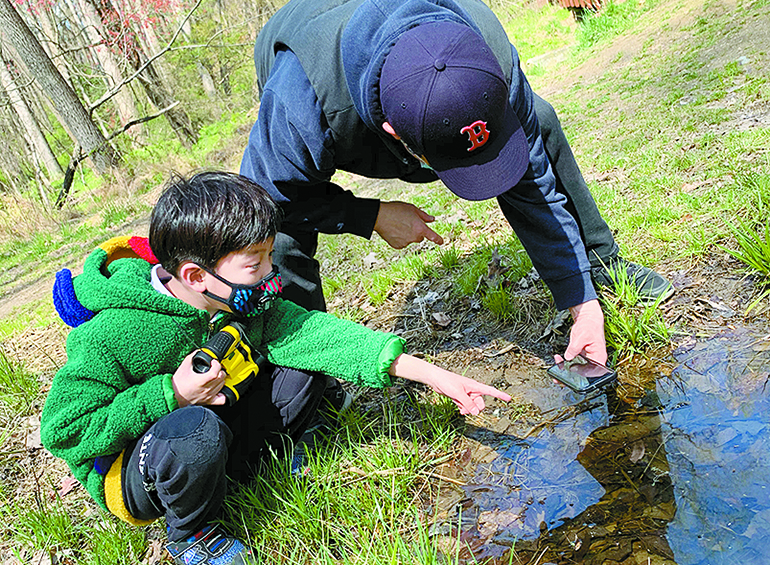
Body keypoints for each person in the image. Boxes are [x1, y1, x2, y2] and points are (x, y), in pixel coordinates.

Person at [40, 172, 511, 565]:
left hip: (220, 424)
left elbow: (320, 337)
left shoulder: (235, 298)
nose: (271, 273)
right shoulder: (112, 333)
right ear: (195, 276)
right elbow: (63, 430)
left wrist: (433, 374)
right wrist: (172, 395)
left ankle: (274, 453)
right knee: (193, 431)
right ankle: (193, 535)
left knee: (305, 361)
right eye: (255, 263)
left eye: (270, 256)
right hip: (144, 466)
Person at [239, 0, 674, 367]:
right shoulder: (301, 108)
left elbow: (532, 184)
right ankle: (307, 368)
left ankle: (599, 265)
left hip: (425, 79)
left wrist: (580, 300)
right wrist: (368, 215)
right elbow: (260, 200)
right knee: (275, 234)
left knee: (537, 121)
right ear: (394, 134)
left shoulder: (486, 46)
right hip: (311, 47)